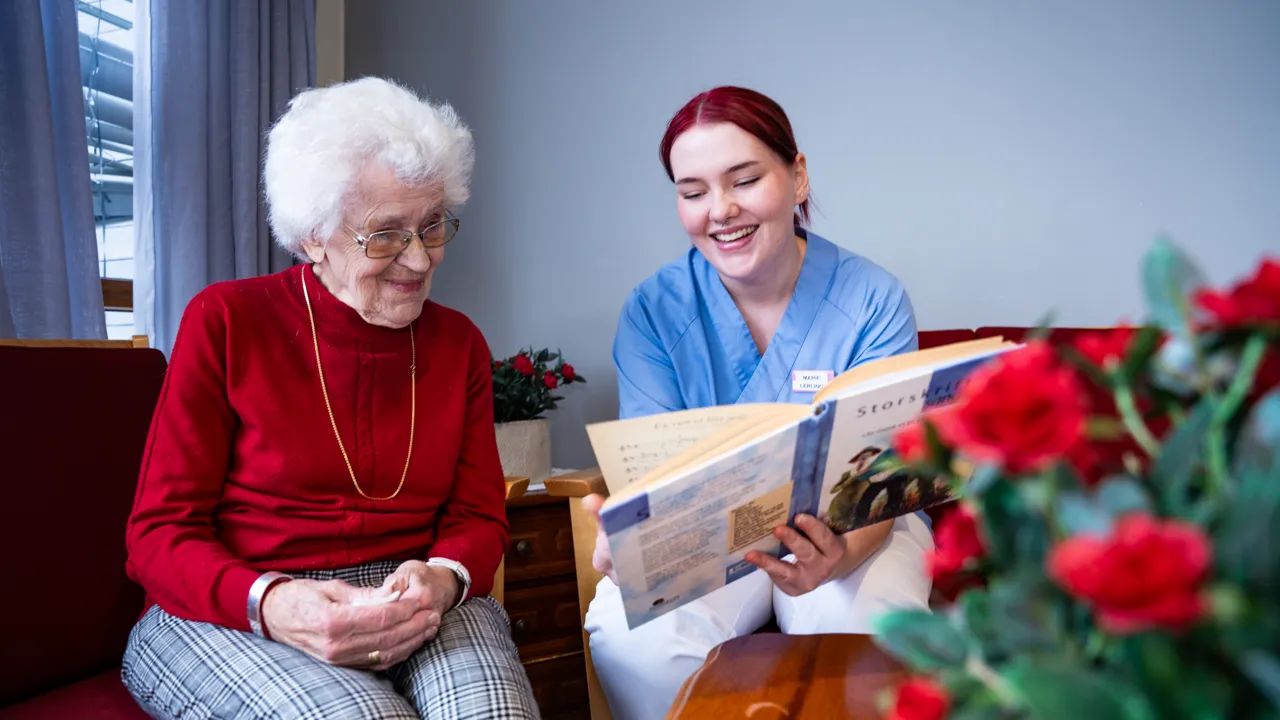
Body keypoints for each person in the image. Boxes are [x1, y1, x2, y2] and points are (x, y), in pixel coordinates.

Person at [120, 77, 539, 720]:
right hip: (226, 605)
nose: (421, 259)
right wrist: (273, 601)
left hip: (411, 591)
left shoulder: (458, 345)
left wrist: (444, 576)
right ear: (313, 235)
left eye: (432, 226)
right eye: (385, 235)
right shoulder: (228, 322)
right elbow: (158, 534)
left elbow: (479, 517)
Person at [581, 86, 934, 720]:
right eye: (692, 193)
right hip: (708, 540)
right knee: (630, 636)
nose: (720, 211)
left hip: (859, 532)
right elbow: (657, 485)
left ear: (797, 176)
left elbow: (884, 478)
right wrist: (629, 547)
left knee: (863, 628)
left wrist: (842, 555)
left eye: (744, 180)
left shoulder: (871, 298)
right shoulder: (654, 314)